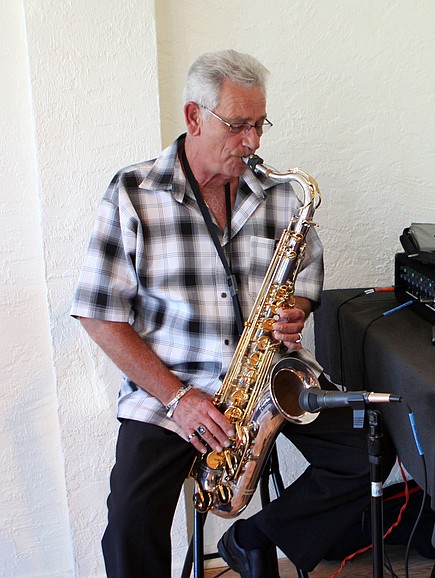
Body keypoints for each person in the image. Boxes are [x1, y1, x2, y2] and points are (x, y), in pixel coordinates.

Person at [72, 49, 392, 578]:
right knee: (129, 525)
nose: (254, 142)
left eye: (259, 125)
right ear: (194, 117)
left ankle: (255, 537)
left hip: (266, 378)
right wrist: (177, 399)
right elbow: (98, 315)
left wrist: (297, 310)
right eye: (238, 125)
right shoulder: (132, 192)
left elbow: (304, 278)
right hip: (171, 390)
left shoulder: (282, 197)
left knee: (367, 457)